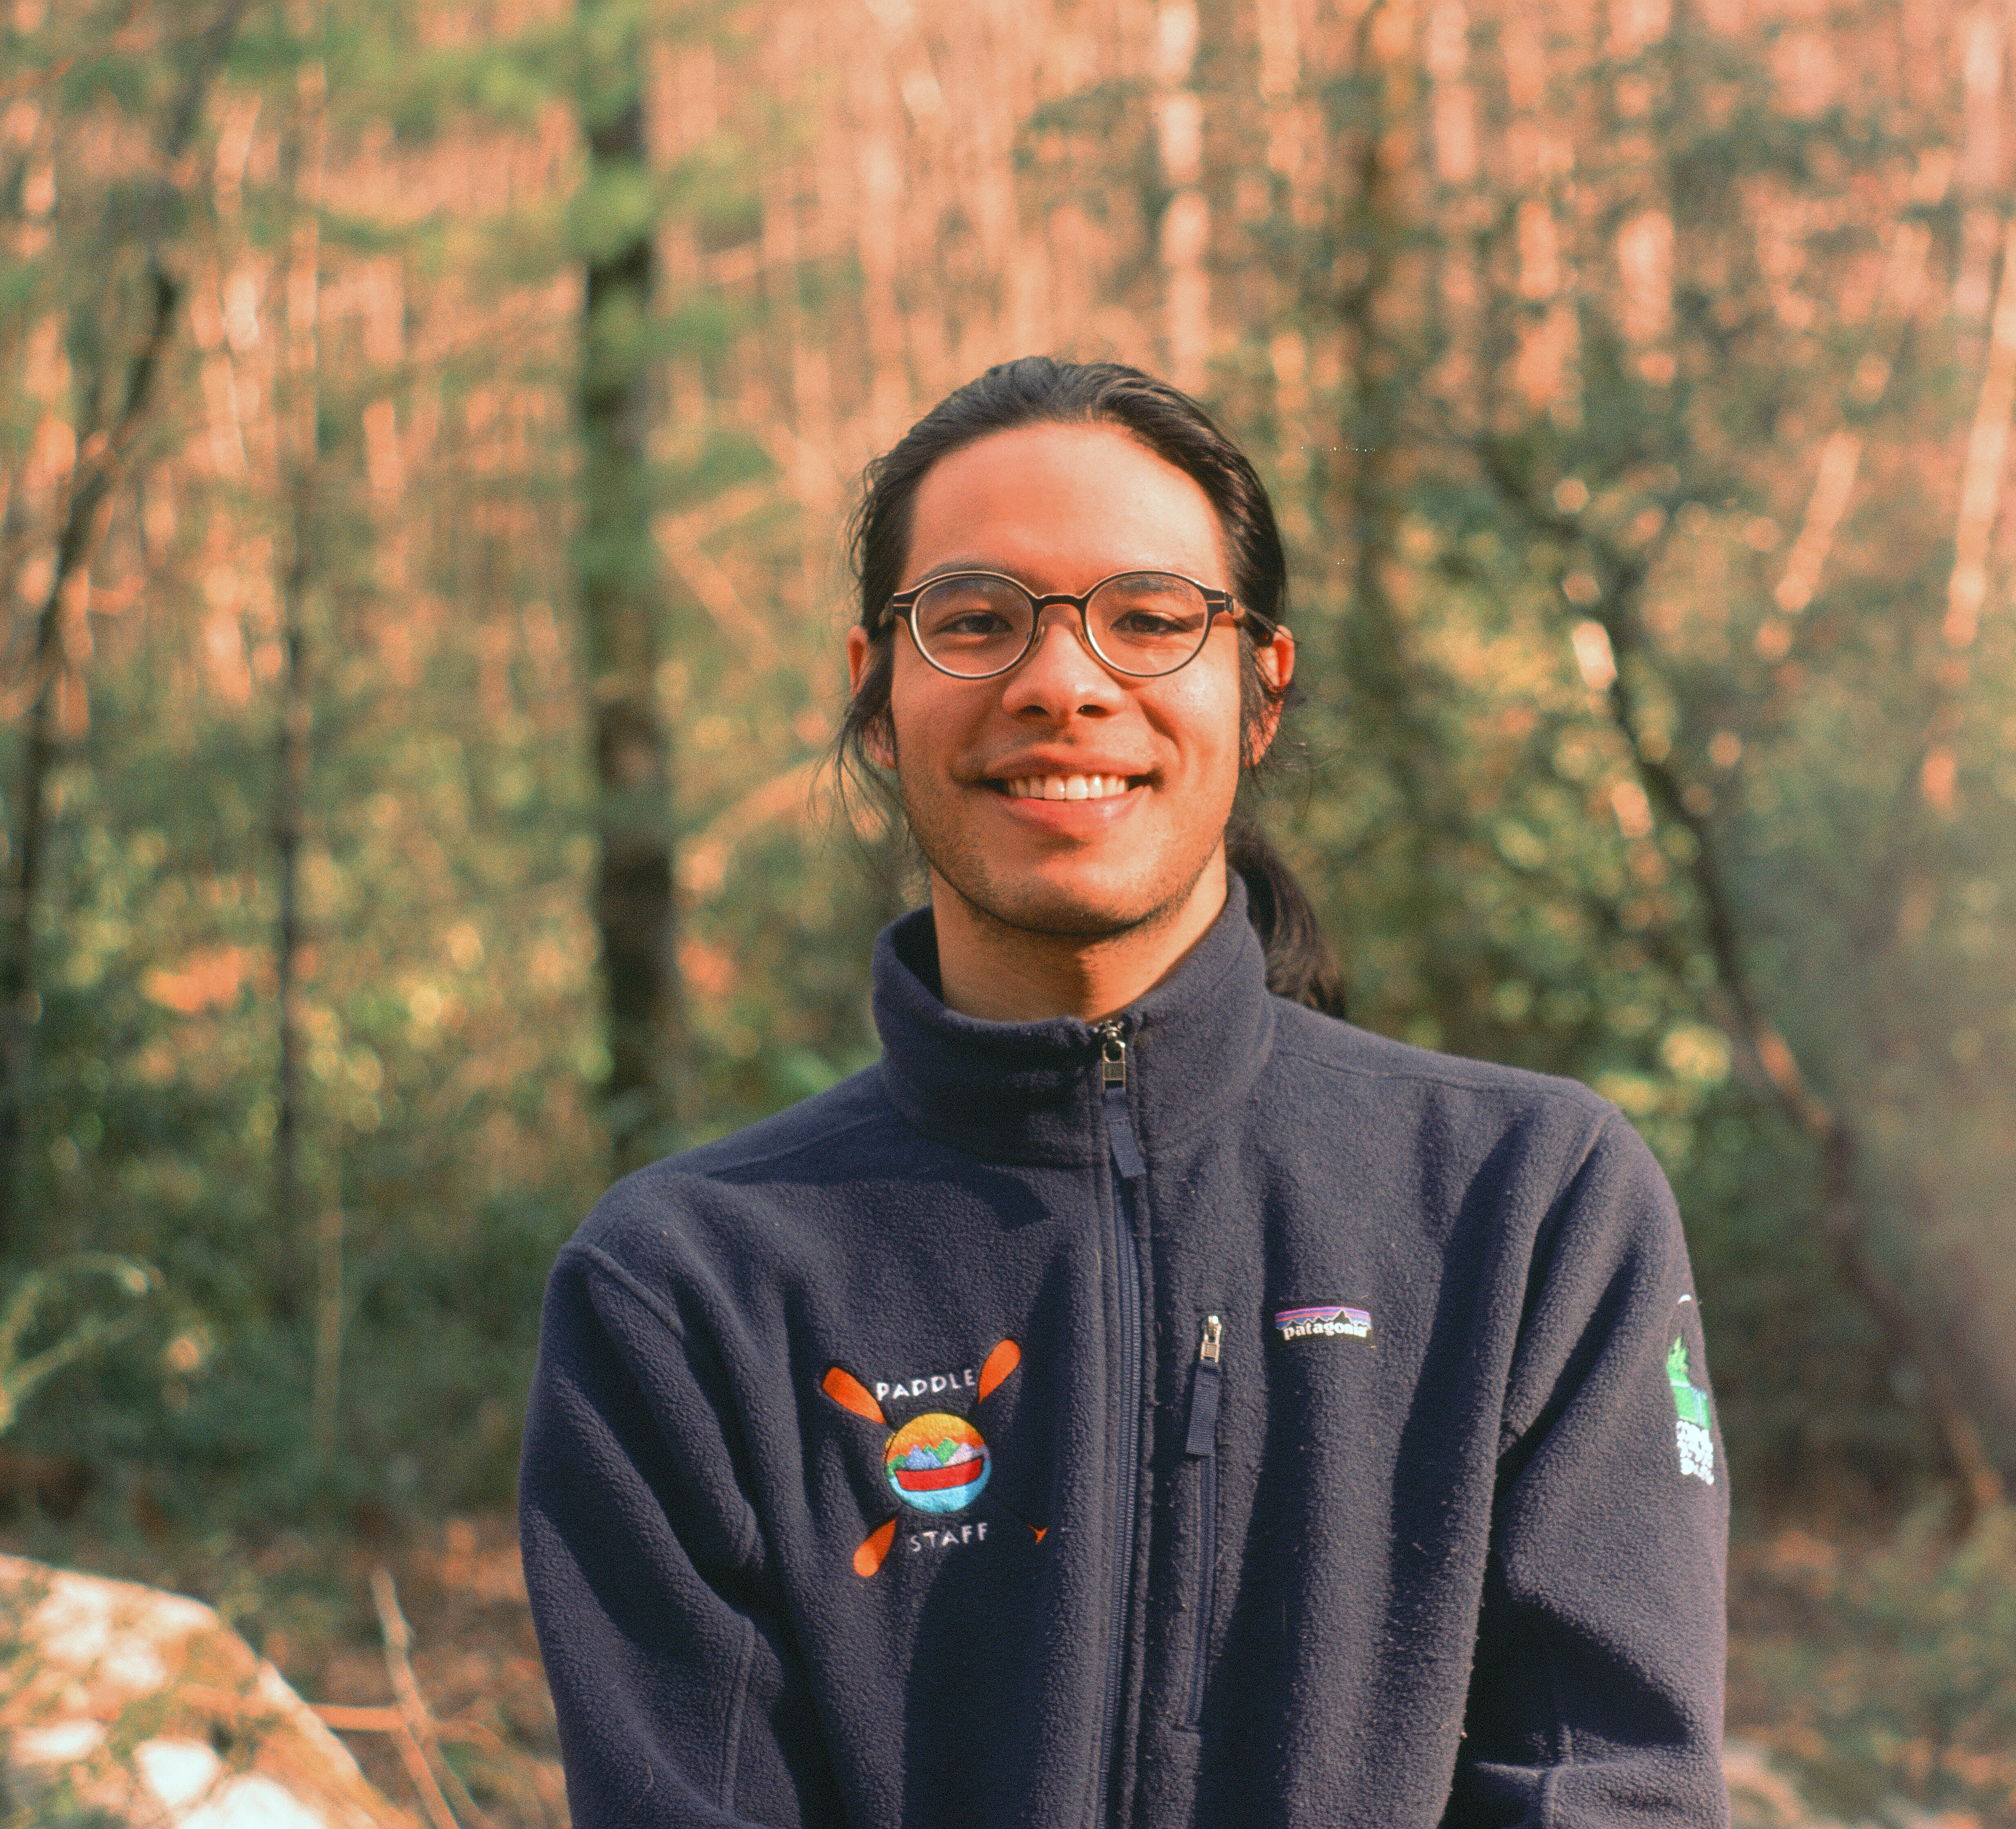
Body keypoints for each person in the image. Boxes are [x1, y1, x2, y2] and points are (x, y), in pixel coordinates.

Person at [518, 357, 1730, 1828]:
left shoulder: (1529, 1205)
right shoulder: (685, 1288)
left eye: (1151, 620)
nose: (1062, 681)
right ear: (876, 699)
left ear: (1260, 688)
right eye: (973, 623)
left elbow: (1610, 1791)